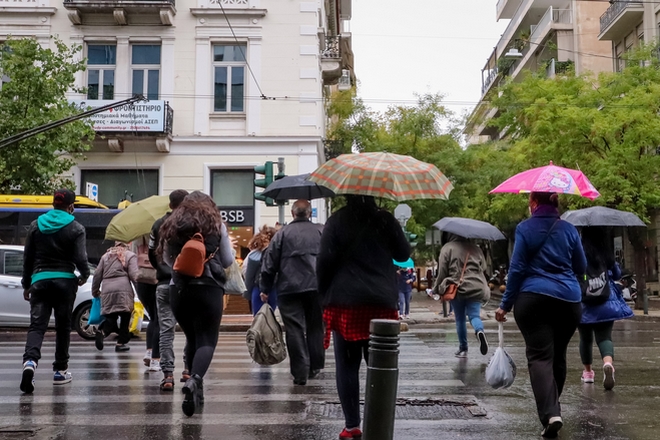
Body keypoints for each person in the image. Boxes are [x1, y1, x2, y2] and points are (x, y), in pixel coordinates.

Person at [317, 195, 410, 440]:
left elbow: (323, 261)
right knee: (379, 365)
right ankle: (377, 421)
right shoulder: (385, 220)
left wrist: (324, 294)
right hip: (381, 301)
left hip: (346, 300)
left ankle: (352, 425)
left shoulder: (337, 220)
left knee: (346, 365)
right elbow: (403, 254)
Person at [495, 192, 587, 439]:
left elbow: (517, 268)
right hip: (569, 300)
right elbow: (581, 267)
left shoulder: (525, 228)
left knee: (539, 357)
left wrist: (506, 304)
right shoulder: (569, 229)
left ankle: (551, 413)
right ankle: (553, 409)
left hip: (533, 298)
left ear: (534, 203)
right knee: (558, 356)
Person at [158, 191, 234, 417]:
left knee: (191, 337)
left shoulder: (172, 225)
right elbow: (229, 259)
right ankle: (194, 381)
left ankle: (195, 389)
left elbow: (166, 260)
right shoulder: (216, 225)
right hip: (208, 287)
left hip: (178, 288)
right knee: (207, 340)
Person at [20, 188, 91, 393]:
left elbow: (28, 258)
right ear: (71, 206)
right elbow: (80, 258)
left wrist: (27, 284)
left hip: (40, 281)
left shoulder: (35, 225)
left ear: (53, 203)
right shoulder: (76, 228)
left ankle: (30, 364)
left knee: (37, 326)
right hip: (65, 283)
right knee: (62, 326)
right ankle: (60, 370)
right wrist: (84, 275)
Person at [260, 200, 325, 385]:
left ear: (292, 213)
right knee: (315, 326)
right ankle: (315, 365)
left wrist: (265, 287)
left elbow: (269, 263)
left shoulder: (282, 234)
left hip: (289, 288)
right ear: (309, 213)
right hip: (316, 286)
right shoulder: (321, 231)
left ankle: (300, 372)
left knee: (294, 328)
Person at [578, 227, 633, 390]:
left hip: (584, 303)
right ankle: (608, 363)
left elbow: (574, 272)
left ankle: (588, 373)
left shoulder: (579, 251)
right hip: (605, 301)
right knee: (605, 337)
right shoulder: (606, 253)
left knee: (585, 339)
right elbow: (616, 275)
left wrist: (586, 277)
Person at [148, 189, 189, 391]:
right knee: (192, 330)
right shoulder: (190, 224)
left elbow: (151, 253)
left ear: (170, 204)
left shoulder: (158, 224)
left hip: (164, 283)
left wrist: (163, 270)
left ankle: (168, 375)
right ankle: (188, 369)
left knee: (166, 330)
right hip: (188, 283)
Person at [434, 232, 490, 358]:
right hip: (477, 287)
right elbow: (484, 267)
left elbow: (442, 271)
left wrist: (437, 288)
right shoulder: (476, 248)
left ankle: (463, 349)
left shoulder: (447, 248)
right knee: (474, 316)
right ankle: (479, 331)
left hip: (457, 288)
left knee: (460, 319)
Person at [92, 242, 139, 352]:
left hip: (107, 289)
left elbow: (97, 274)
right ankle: (120, 343)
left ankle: (103, 332)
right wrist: (139, 291)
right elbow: (134, 275)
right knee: (125, 316)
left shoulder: (105, 256)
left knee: (111, 315)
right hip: (123, 289)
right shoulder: (130, 255)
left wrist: (95, 291)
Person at [243, 225, 278, 315]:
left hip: (258, 288)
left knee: (259, 319)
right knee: (274, 318)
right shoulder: (277, 252)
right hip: (275, 288)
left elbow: (246, 272)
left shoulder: (253, 254)